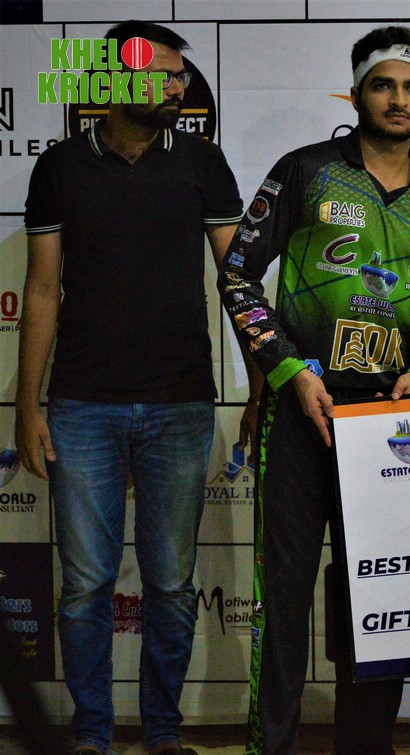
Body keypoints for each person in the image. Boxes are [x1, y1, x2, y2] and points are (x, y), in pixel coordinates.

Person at [219, 25, 410, 755]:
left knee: (379, 596)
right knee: (285, 597)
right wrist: (289, 372)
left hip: (387, 426)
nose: (399, 99)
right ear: (356, 93)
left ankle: (365, 745)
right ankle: (272, 747)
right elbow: (238, 275)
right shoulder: (305, 171)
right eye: (383, 85)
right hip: (301, 412)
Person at [16, 20, 243, 755]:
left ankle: (163, 731)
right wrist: (27, 405)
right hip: (81, 404)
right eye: (163, 75)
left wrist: (268, 375)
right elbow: (41, 291)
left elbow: (238, 282)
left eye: (181, 76)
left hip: (181, 401)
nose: (177, 87)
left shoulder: (203, 161)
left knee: (172, 584)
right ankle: (91, 733)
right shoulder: (59, 166)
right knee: (85, 583)